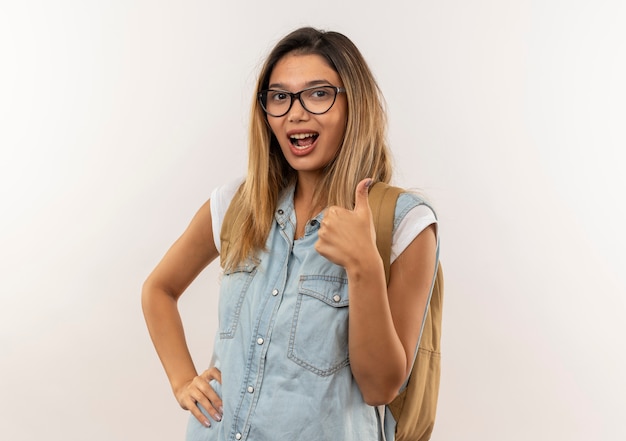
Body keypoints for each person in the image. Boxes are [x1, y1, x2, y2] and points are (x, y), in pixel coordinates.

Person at [142, 26, 439, 441]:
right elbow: (159, 289)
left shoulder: (403, 223)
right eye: (280, 97)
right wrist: (182, 380)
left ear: (355, 104)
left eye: (318, 94)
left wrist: (364, 266)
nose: (296, 113)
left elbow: (381, 387)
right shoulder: (238, 204)